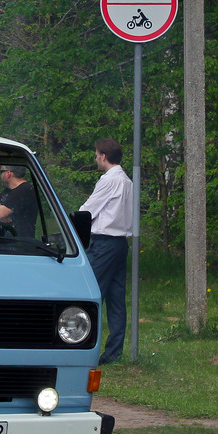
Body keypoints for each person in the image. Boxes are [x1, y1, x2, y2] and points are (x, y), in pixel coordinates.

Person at [79, 138, 134, 365]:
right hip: (120, 243)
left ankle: (83, 347)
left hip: (104, 243)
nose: (95, 158)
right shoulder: (127, 181)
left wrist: (70, 220)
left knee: (88, 294)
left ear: (103, 156)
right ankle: (113, 352)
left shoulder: (108, 180)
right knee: (116, 298)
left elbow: (88, 210)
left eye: (96, 154)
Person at [0, 165, 38, 238]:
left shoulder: (24, 190)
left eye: (1, 172)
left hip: (19, 243)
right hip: (3, 241)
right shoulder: (7, 191)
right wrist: (0, 215)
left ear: (8, 174)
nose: (0, 176)